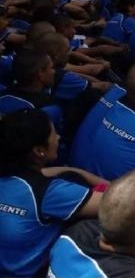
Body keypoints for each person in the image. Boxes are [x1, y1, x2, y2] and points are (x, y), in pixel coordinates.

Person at [0, 109, 104, 277]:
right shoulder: (49, 193)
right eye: (54, 133)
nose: (58, 137)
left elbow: (39, 176)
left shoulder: (14, 180)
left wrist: (71, 169)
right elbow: (115, 204)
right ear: (40, 151)